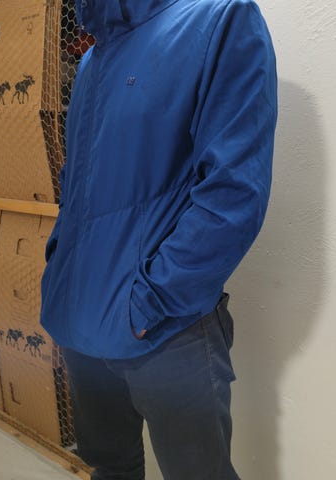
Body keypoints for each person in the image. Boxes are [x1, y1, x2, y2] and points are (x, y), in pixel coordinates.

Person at [40, 0, 277, 478]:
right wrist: (59, 272)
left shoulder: (220, 19)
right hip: (80, 326)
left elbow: (233, 193)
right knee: (110, 467)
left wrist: (150, 303)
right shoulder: (90, 62)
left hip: (166, 331)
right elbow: (75, 186)